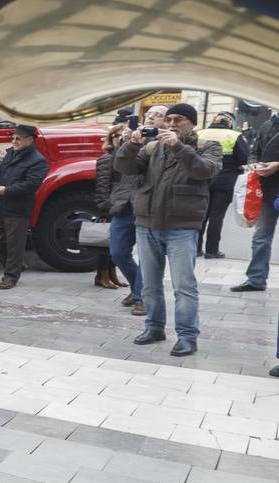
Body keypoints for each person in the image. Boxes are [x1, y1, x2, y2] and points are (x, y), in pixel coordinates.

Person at [115, 103, 222, 356]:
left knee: (184, 286)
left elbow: (204, 171)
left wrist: (178, 146)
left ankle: (187, 336)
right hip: (147, 222)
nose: (172, 124)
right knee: (150, 285)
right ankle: (154, 327)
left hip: (182, 225)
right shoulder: (153, 147)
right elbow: (123, 168)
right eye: (170, 119)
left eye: (180, 120)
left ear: (192, 124)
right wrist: (132, 144)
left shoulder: (208, 146)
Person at [0, 125, 49, 289]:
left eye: (18, 139)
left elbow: (30, 185)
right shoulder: (10, 153)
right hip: (1, 206)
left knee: (15, 244)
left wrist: (7, 190)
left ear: (29, 140)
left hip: (19, 208)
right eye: (13, 138)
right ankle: (17, 265)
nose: (14, 141)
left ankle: (11, 276)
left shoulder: (38, 161)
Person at [232, 109, 279, 292]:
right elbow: (254, 150)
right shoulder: (267, 124)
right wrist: (253, 163)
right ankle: (256, 279)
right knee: (261, 237)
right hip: (267, 189)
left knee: (261, 237)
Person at [105, 123, 147, 316]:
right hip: (124, 204)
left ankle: (143, 297)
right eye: (149, 116)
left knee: (148, 257)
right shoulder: (132, 140)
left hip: (148, 206)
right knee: (118, 253)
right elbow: (115, 166)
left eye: (157, 116)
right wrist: (126, 142)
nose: (152, 120)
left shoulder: (165, 141)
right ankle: (137, 288)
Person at [197, 112, 248, 258]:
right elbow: (243, 158)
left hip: (202, 178)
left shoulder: (200, 133)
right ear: (230, 123)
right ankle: (212, 251)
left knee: (201, 215)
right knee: (216, 216)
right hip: (225, 179)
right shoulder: (234, 135)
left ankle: (195, 248)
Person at [92, 126, 127, 290]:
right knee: (104, 244)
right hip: (109, 205)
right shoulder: (107, 158)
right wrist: (105, 209)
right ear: (111, 138)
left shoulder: (125, 156)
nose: (120, 139)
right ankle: (101, 275)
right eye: (117, 136)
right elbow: (102, 186)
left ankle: (112, 273)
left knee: (114, 243)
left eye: (123, 136)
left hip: (120, 205)